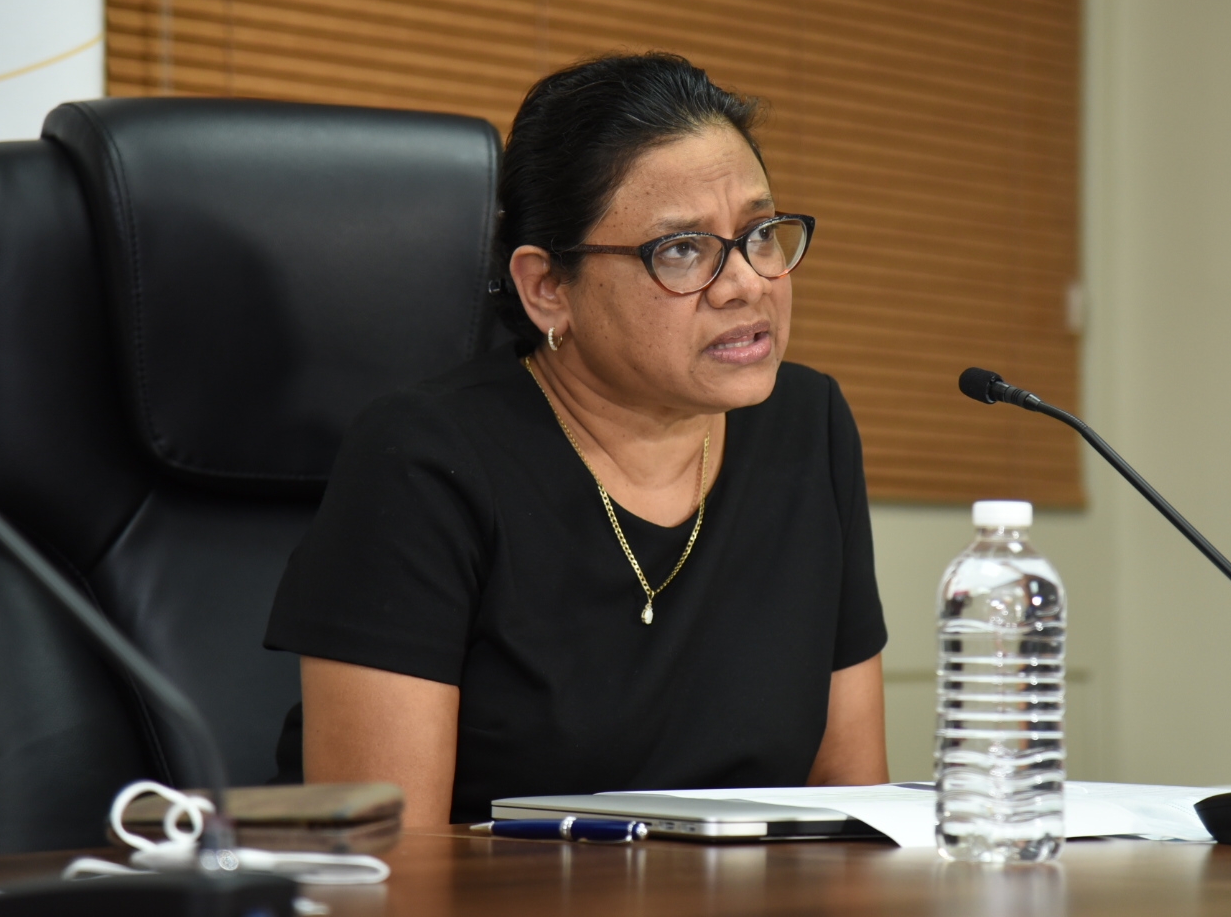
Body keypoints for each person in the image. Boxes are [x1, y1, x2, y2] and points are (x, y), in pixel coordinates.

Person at [264, 52, 888, 827]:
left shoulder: (810, 423)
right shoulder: (422, 460)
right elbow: (393, 864)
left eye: (761, 232)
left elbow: (851, 811)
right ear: (547, 289)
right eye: (683, 249)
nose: (748, 283)